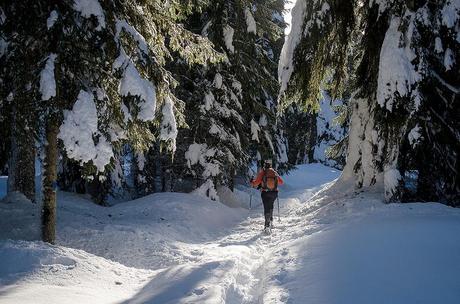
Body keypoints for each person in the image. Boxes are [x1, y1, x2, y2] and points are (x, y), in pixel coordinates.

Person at [250, 160, 284, 232]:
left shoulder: (263, 172)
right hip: (274, 193)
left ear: (264, 165)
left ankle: (267, 225)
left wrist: (252, 181)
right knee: (271, 205)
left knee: (266, 208)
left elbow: (256, 183)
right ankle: (271, 221)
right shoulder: (274, 172)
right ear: (270, 165)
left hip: (265, 192)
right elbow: (281, 182)